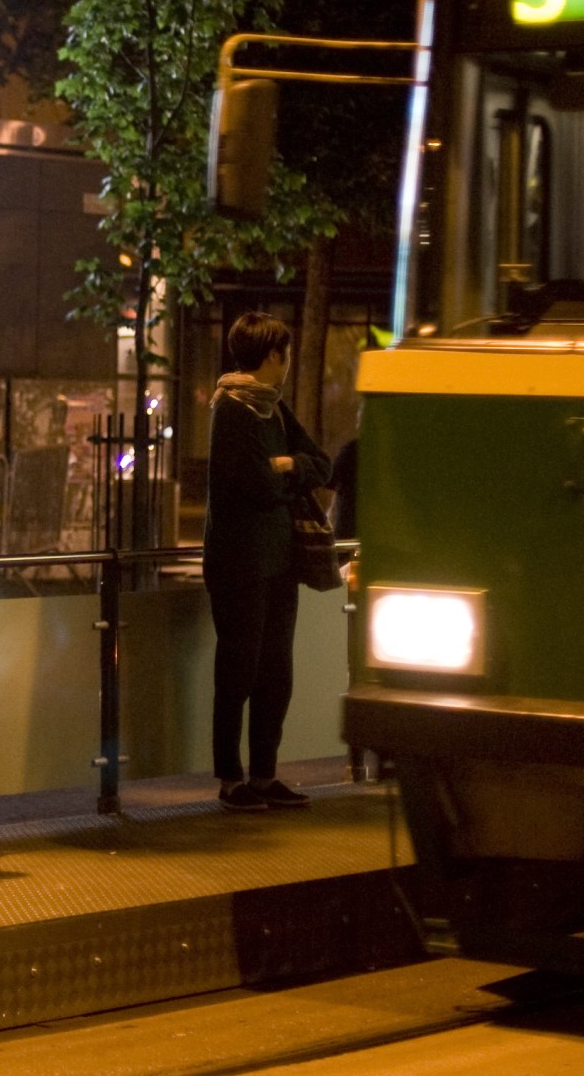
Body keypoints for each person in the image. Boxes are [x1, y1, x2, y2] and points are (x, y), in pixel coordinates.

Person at [203, 312, 331, 812]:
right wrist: (283, 471)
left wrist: (288, 465)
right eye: (287, 352)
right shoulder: (232, 410)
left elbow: (321, 463)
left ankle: (263, 774)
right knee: (238, 671)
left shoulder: (274, 410)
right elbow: (255, 484)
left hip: (279, 561)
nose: (289, 361)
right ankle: (231, 779)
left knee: (275, 671)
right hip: (239, 564)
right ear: (273, 355)